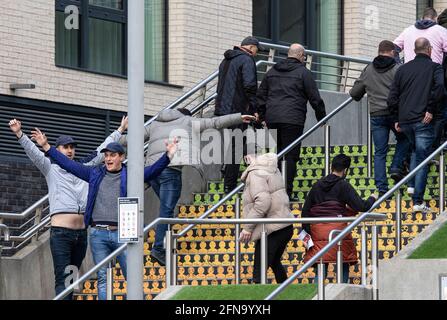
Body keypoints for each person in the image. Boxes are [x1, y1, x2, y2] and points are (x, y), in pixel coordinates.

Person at [32, 129, 178, 300]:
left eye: (113, 155)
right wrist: (47, 147)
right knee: (103, 278)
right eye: (106, 155)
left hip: (122, 234)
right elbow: (68, 164)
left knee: (132, 277)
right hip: (98, 234)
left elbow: (152, 171)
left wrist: (168, 156)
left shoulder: (130, 175)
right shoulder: (94, 173)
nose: (108, 158)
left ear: (121, 157)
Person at [8, 117, 128, 300]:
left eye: (72, 147)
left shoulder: (84, 167)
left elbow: (102, 148)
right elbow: (33, 152)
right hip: (61, 234)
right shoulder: (50, 167)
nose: (70, 151)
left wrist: (119, 130)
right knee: (63, 278)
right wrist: (19, 134)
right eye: (66, 147)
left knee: (72, 277)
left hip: (81, 235)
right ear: (57, 150)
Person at [120, 108, 255, 266]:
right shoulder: (187, 121)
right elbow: (214, 122)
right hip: (171, 170)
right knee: (167, 211)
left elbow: (133, 138)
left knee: (167, 210)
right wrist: (239, 117)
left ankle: (164, 242)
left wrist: (118, 133)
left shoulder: (155, 123)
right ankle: (158, 248)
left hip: (152, 171)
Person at [257, 43, 326, 198]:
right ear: (301, 55)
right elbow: (314, 97)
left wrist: (262, 116)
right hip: (293, 119)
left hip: (273, 118)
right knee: (291, 155)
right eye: (304, 56)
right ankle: (285, 191)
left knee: (279, 153)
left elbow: (261, 95)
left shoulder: (272, 71)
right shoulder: (304, 73)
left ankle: (276, 190)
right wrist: (322, 118)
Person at [388, 37, 444, 213]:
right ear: (428, 50)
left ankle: (412, 186)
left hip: (405, 121)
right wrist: (430, 109)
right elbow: (441, 87)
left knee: (415, 152)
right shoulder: (435, 67)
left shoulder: (402, 69)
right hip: (422, 119)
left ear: (414, 50)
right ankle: (418, 201)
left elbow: (392, 97)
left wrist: (396, 118)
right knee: (422, 159)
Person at [301, 154, 377, 283]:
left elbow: (305, 212)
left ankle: (315, 293)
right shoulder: (343, 185)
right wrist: (373, 198)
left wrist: (309, 232)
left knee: (321, 263)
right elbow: (362, 206)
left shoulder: (317, 185)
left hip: (318, 231)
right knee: (343, 261)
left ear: (332, 167)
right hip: (338, 231)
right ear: (345, 170)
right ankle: (342, 289)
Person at [350, 40, 411, 196]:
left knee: (380, 152)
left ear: (379, 51)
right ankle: (396, 166)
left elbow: (355, 93)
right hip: (395, 114)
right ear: (392, 52)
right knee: (405, 139)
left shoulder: (368, 69)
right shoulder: (399, 69)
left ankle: (382, 189)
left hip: (376, 114)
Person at [215, 36, 263, 193]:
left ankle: (229, 173)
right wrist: (255, 108)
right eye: (256, 49)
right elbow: (249, 86)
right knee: (236, 145)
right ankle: (230, 185)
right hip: (238, 110)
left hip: (223, 110)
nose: (256, 53)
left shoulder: (226, 61)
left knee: (234, 144)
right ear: (250, 47)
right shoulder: (247, 60)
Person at [239, 151, 294, 284]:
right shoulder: (272, 167)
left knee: (258, 274)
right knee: (274, 262)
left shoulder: (255, 172)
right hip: (284, 225)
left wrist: (247, 228)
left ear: (247, 157)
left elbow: (263, 202)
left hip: (271, 229)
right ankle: (288, 291)